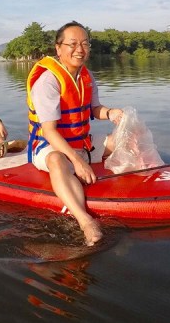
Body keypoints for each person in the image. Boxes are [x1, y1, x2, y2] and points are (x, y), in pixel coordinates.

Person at [26, 21, 124, 246]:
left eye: (85, 44)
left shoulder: (87, 76)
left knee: (126, 138)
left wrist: (111, 113)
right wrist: (78, 161)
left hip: (82, 143)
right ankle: (85, 221)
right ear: (58, 48)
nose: (80, 49)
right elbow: (49, 132)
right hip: (49, 147)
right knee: (57, 160)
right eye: (72, 44)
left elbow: (94, 109)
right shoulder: (47, 81)